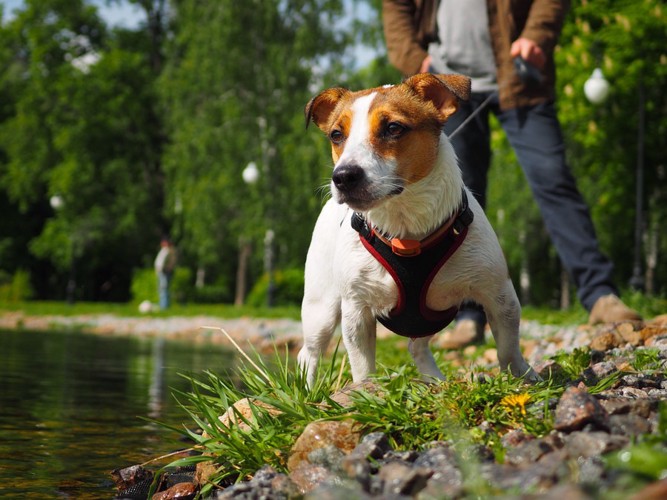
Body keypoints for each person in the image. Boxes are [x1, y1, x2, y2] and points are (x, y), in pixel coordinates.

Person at [382, 0, 642, 346]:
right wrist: (418, 62)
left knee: (553, 180)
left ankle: (600, 295)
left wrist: (535, 35)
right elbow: (396, 10)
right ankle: (468, 316)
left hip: (520, 78)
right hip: (445, 88)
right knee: (457, 198)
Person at [154, 236, 178, 310]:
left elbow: (172, 262)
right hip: (160, 272)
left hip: (165, 272)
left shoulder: (170, 250)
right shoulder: (164, 250)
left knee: (164, 288)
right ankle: (162, 304)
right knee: (161, 288)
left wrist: (166, 269)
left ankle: (164, 306)